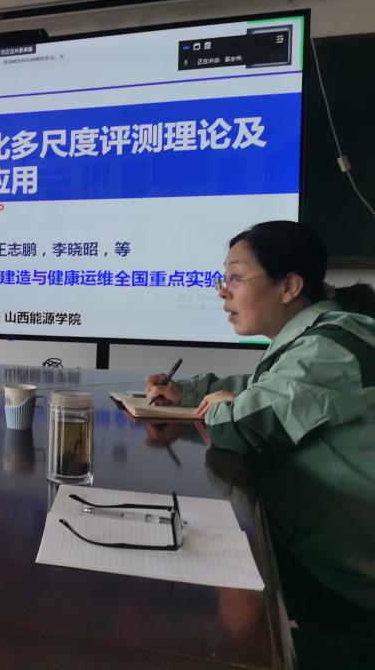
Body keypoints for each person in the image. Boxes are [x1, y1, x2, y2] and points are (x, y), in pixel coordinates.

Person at [145, 220, 375, 668]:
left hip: (348, 577)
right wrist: (189, 392)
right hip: (324, 549)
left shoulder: (330, 350)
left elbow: (244, 425)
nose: (222, 291)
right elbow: (262, 389)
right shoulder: (321, 337)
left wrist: (220, 408)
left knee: (207, 591)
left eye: (235, 277)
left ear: (289, 286)